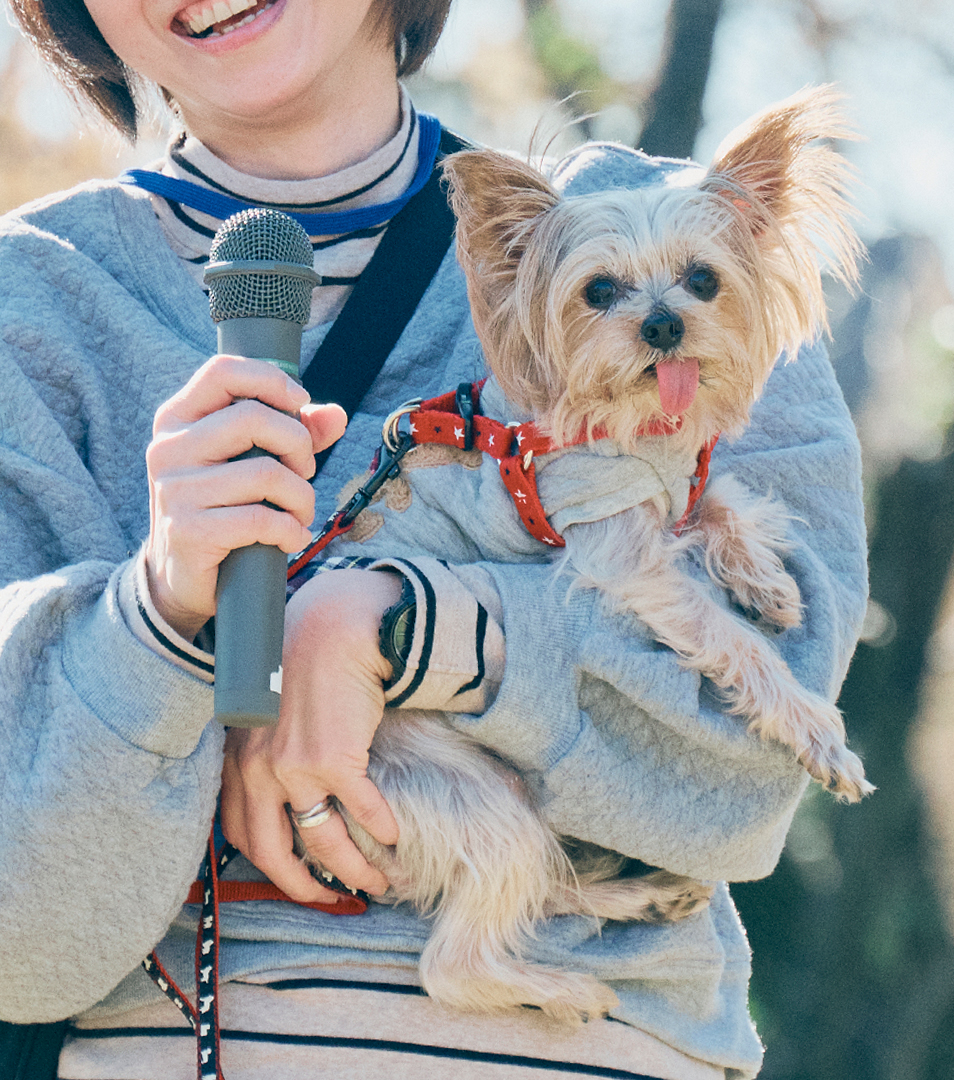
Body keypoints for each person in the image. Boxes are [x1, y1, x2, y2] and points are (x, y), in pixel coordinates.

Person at [0, 0, 869, 1076]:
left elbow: (751, 774)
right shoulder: (28, 306)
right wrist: (156, 615)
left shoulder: (671, 236)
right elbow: (23, 945)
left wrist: (401, 628)